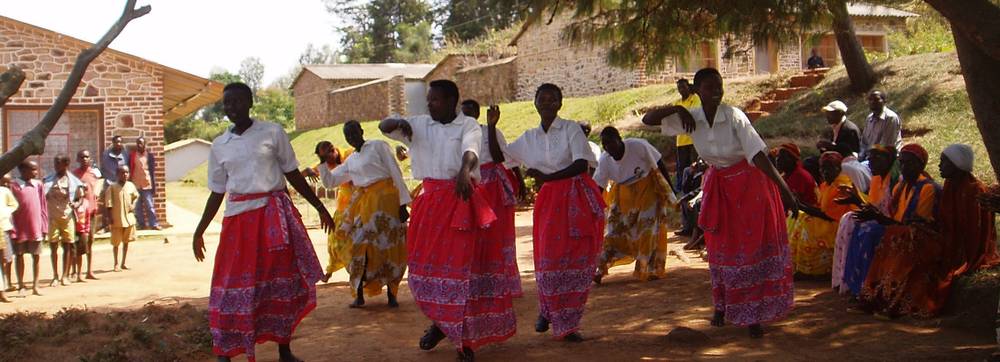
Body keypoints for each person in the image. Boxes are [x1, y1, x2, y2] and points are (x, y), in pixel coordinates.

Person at [642, 68, 797, 338]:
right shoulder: (692, 118)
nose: (716, 91)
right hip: (720, 188)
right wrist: (677, 109)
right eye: (709, 86)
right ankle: (722, 306)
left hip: (750, 185)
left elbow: (758, 155)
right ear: (697, 89)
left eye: (719, 86)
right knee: (720, 250)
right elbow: (648, 119)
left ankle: (753, 315)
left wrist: (784, 190)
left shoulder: (734, 115)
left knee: (750, 250)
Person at [192, 82, 331, 362]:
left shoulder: (272, 132)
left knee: (279, 282)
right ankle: (226, 351)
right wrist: (199, 231)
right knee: (230, 283)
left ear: (250, 102)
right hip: (238, 222)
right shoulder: (220, 145)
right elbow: (217, 192)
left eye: (237, 101)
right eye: (226, 103)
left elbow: (293, 174)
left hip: (272, 219)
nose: (231, 108)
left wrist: (320, 207)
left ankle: (284, 349)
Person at [380, 79, 512, 361]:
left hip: (460, 201)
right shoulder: (419, 124)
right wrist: (396, 120)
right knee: (424, 270)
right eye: (429, 99)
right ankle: (443, 323)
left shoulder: (468, 125)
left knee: (460, 272)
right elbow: (385, 128)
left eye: (435, 100)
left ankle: (463, 341)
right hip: (429, 205)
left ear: (452, 100)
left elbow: (471, 150)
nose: (429, 104)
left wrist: (465, 170)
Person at [506, 83, 605, 342]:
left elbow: (581, 164)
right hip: (549, 200)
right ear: (535, 103)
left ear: (560, 104)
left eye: (553, 99)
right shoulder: (530, 137)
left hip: (576, 197)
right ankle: (548, 308)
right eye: (543, 99)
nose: (548, 103)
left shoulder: (571, 128)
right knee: (548, 259)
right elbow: (502, 156)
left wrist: (547, 176)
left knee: (576, 260)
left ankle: (569, 324)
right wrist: (491, 128)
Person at [856, 143, 964, 318]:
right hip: (906, 234)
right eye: (902, 163)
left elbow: (918, 224)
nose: (905, 168)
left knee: (901, 239)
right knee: (892, 236)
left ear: (920, 165)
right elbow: (898, 220)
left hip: (928, 239)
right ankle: (874, 297)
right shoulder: (901, 187)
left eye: (909, 164)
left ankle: (894, 304)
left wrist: (879, 218)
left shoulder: (927, 188)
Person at [320, 120, 410, 308]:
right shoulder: (351, 159)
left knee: (390, 247)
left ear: (361, 131)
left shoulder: (378, 146)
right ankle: (359, 294)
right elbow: (330, 181)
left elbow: (395, 171)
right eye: (347, 135)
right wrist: (321, 160)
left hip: (387, 202)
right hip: (365, 206)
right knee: (359, 246)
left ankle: (392, 294)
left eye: (353, 132)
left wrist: (403, 203)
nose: (351, 137)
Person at [593, 126, 673, 283]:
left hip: (647, 188)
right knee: (614, 232)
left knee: (647, 229)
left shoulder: (638, 146)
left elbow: (658, 164)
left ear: (619, 139)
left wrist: (668, 190)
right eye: (605, 145)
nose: (609, 148)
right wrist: (592, 208)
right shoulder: (605, 160)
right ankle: (600, 268)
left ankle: (648, 268)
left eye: (611, 143)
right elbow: (598, 187)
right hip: (623, 193)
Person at [463, 99, 525, 298]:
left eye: (471, 112)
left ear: (478, 113)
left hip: (494, 187)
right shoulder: (458, 136)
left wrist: (491, 127)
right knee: (476, 236)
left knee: (500, 233)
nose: (468, 116)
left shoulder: (491, 132)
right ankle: (481, 283)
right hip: (473, 188)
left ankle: (504, 282)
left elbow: (501, 157)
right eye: (464, 113)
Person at [834, 145, 899, 295]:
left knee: (866, 230)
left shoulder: (896, 181)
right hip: (879, 219)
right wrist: (856, 200)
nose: (871, 162)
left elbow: (889, 214)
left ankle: (865, 287)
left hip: (891, 223)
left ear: (889, 160)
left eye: (876, 158)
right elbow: (872, 206)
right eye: (869, 158)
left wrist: (861, 204)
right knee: (848, 219)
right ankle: (845, 280)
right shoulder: (876, 180)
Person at [787, 152, 857, 278]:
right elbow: (820, 208)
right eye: (822, 168)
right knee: (798, 217)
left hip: (839, 225)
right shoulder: (826, 185)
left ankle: (812, 270)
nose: (825, 171)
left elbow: (829, 215)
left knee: (806, 223)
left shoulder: (841, 185)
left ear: (838, 168)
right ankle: (797, 265)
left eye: (829, 167)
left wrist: (801, 205)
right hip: (828, 220)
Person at [303, 141, 354, 283]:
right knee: (334, 239)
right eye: (324, 158)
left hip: (361, 201)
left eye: (329, 155)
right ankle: (330, 270)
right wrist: (307, 170)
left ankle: (357, 271)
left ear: (333, 149)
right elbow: (298, 177)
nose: (328, 159)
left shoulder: (350, 154)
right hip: (344, 206)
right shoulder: (325, 165)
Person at [43, 154, 84, 286]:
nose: (55, 166)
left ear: (66, 165)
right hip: (53, 217)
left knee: (68, 245)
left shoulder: (74, 182)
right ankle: (55, 276)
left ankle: (65, 275)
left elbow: (80, 198)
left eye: (58, 164)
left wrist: (76, 204)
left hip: (67, 217)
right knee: (53, 246)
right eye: (55, 163)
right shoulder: (48, 180)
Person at [10, 161, 47, 296]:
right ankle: (21, 285)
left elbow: (43, 207)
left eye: (36, 170)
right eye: (32, 170)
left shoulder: (38, 185)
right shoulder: (13, 186)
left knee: (36, 256)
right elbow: (10, 210)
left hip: (35, 227)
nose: (35, 172)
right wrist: (12, 230)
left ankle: (35, 285)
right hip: (19, 229)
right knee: (19, 256)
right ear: (23, 170)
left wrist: (44, 226)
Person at [72, 150, 101, 280]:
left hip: (92, 213)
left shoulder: (94, 174)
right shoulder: (74, 175)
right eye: (82, 157)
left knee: (90, 241)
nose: (84, 159)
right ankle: (76, 272)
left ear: (90, 159)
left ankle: (89, 270)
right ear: (77, 159)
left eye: (87, 157)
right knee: (78, 242)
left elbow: (98, 191)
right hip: (79, 214)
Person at [104, 165, 138, 272]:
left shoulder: (131, 185)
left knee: (126, 241)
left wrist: (133, 204)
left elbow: (136, 196)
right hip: (117, 218)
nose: (125, 175)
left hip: (128, 218)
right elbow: (109, 204)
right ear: (117, 174)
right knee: (116, 242)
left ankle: (124, 262)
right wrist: (110, 217)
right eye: (122, 173)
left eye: (127, 172)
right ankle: (116, 263)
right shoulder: (112, 187)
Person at [672, 78, 702, 192]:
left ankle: (696, 187)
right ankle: (681, 188)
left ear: (688, 87)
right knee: (681, 167)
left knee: (694, 165)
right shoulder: (677, 103)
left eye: (683, 87)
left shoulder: (695, 99)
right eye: (679, 87)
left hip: (693, 139)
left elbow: (693, 113)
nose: (681, 89)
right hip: (681, 140)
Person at [860, 91, 903, 160]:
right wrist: (860, 156)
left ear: (884, 101)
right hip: (869, 157)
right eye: (870, 100)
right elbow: (864, 142)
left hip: (886, 158)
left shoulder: (890, 118)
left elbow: (887, 145)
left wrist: (868, 158)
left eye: (876, 99)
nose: (872, 102)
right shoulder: (869, 118)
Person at [129, 136, 161, 230]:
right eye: (138, 143)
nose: (139, 145)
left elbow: (152, 171)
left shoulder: (149, 156)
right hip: (135, 185)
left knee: (150, 206)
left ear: (145, 145)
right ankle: (141, 224)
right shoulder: (133, 156)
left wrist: (154, 186)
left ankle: (154, 224)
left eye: (141, 143)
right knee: (137, 208)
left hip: (147, 185)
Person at [100, 135, 128, 231]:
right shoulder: (106, 154)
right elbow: (103, 168)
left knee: (122, 204)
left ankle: (122, 224)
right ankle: (106, 226)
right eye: (116, 142)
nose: (118, 144)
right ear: (113, 143)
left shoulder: (125, 155)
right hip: (109, 183)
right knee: (108, 205)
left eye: (120, 142)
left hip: (121, 184)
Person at [0, 175, 18, 302]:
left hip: (2, 227)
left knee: (4, 260)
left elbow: (14, 205)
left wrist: (5, 213)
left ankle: (2, 291)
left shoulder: (4, 191)